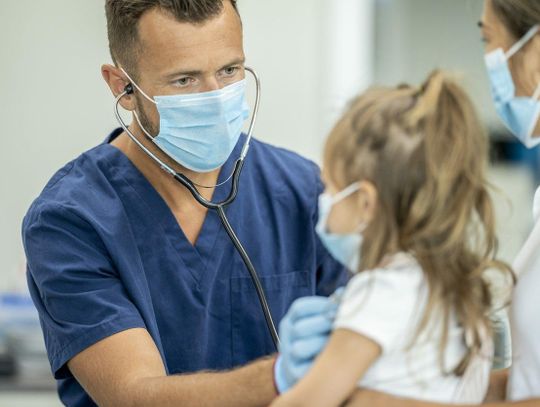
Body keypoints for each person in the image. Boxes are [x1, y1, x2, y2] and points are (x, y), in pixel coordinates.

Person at [21, 1, 347, 406]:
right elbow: (134, 396)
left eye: (229, 70)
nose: (216, 98)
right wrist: (282, 376)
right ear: (121, 86)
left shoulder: (301, 191)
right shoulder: (69, 220)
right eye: (184, 80)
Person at [278, 0, 540, 406]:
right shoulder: (457, 294)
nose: (324, 202)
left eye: (330, 187)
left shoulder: (378, 292)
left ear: (365, 202)